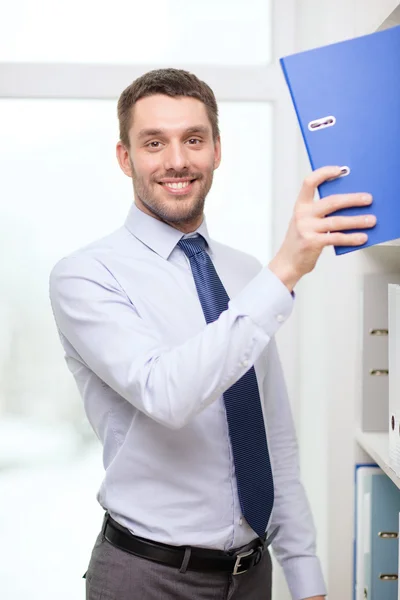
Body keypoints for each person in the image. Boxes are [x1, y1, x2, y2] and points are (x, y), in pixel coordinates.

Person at [49, 68, 375, 600]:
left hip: (253, 576)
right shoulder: (85, 275)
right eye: (154, 142)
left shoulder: (247, 275)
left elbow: (272, 436)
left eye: (193, 140)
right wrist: (286, 271)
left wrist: (305, 572)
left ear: (217, 151)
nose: (177, 160)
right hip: (146, 577)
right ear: (125, 158)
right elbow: (168, 393)